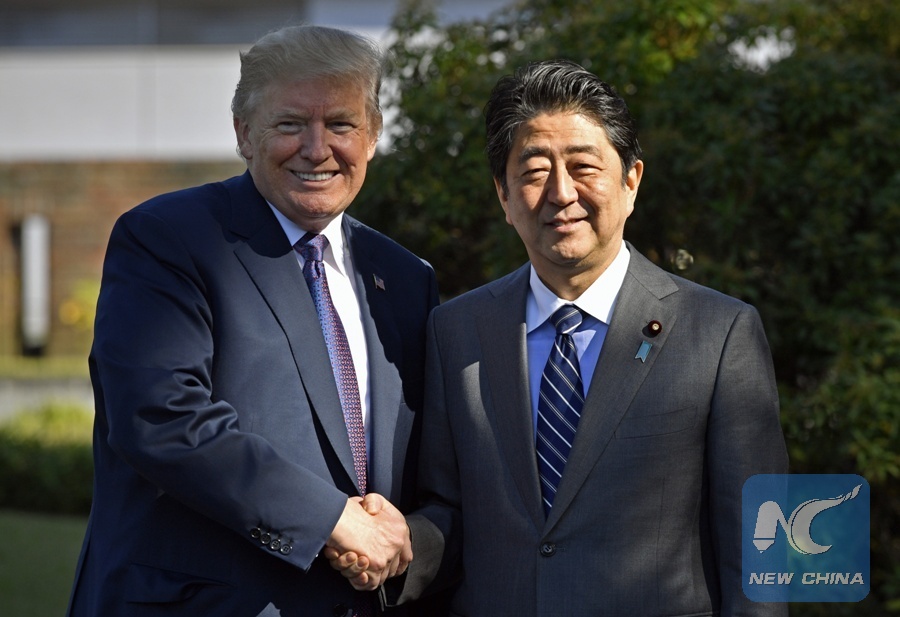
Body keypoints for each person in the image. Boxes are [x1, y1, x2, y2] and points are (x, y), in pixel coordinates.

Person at [332, 59, 789, 615]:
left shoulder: (718, 333)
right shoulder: (457, 331)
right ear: (504, 196)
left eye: (583, 166)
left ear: (631, 181)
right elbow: (450, 510)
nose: (561, 192)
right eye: (534, 171)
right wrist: (397, 544)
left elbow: (759, 547)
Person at [66, 25, 439, 617]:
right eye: (290, 124)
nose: (316, 148)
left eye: (341, 124)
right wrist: (330, 519)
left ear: (372, 137)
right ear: (243, 133)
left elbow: (432, 464)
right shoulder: (168, 238)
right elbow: (161, 417)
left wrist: (407, 539)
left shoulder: (405, 278)